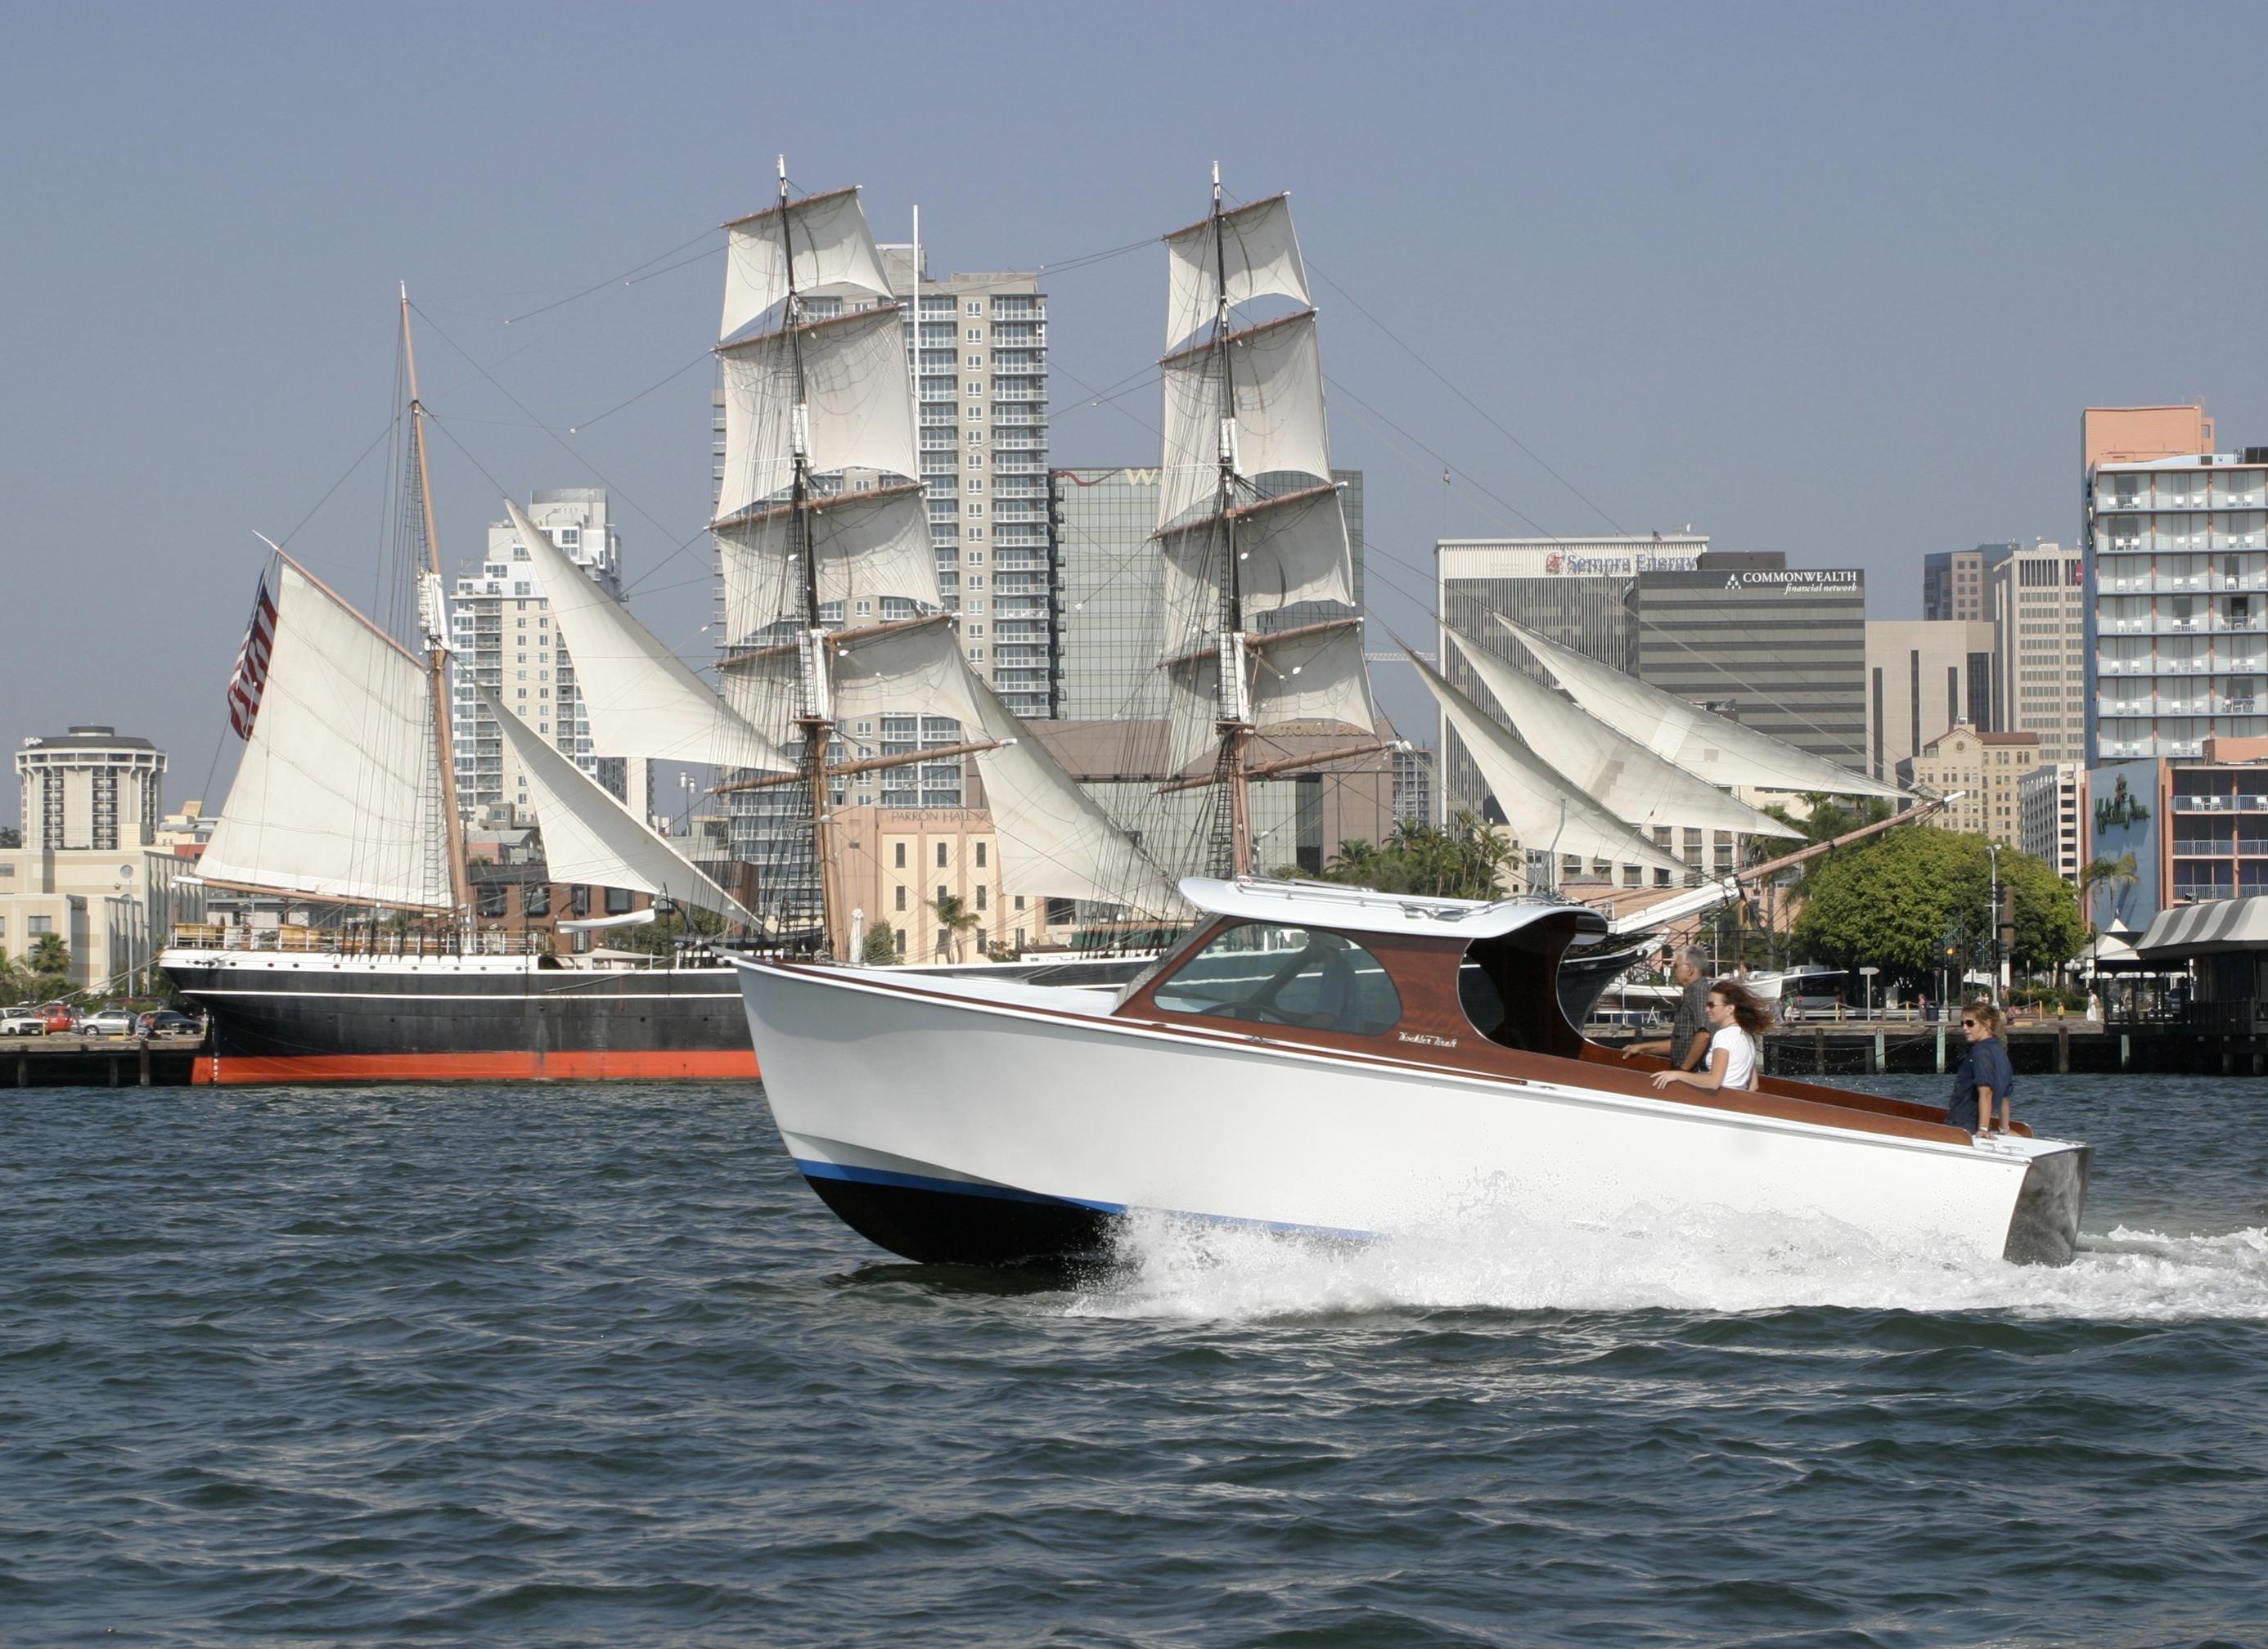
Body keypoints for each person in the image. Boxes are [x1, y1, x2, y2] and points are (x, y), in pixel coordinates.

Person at [1650, 978, 1771, 1094]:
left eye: (1711, 1005)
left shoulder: (1723, 1036)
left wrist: (1677, 1074)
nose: (1706, 1010)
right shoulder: (1747, 1036)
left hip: (1720, 1101)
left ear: (1730, 1009)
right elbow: (1754, 1086)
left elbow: (1713, 1082)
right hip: (1736, 1102)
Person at [1623, 946, 1713, 1071]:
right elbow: (1680, 1044)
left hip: (1695, 1074)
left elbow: (1703, 1035)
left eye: (1675, 966)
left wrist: (1683, 1071)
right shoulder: (1692, 992)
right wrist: (1642, 1048)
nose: (1672, 970)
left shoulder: (1699, 991)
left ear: (1690, 969)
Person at [1950, 1000, 2014, 1137]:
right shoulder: (2000, 1051)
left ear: (1987, 1023)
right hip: (1973, 1125)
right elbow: (2005, 1096)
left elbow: (1986, 1092)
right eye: (1963, 1023)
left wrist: (1983, 1130)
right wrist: (2004, 1129)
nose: (1965, 1028)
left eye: (1970, 1023)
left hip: (1966, 1127)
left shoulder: (1980, 1053)